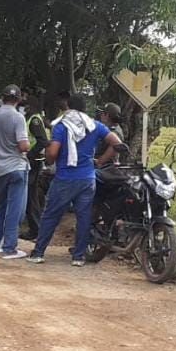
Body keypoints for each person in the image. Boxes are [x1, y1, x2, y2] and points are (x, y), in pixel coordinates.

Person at [28, 94, 121, 265]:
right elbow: (117, 144)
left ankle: (38, 252)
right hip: (87, 179)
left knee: (50, 215)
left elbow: (53, 153)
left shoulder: (62, 127)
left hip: (65, 178)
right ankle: (78, 257)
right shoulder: (95, 126)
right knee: (84, 217)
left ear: (68, 108)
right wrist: (100, 161)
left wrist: (49, 157)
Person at [0, 86, 31, 259]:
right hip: (16, 166)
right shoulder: (18, 117)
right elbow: (23, 145)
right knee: (15, 209)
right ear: (18, 100)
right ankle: (10, 247)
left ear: (2, 98)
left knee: (1, 206)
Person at [21, 100, 52, 241]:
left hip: (34, 162)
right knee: (31, 196)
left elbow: (43, 141)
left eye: (26, 105)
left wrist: (30, 154)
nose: (24, 108)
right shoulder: (32, 119)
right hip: (33, 160)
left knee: (30, 195)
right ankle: (35, 229)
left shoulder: (34, 121)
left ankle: (36, 229)